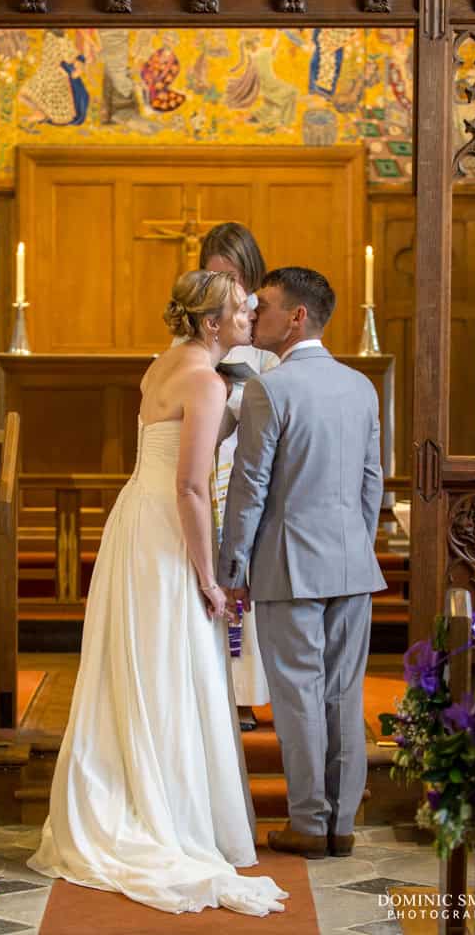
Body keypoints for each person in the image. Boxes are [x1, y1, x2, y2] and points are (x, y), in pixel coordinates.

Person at [28, 270, 288, 917]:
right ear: (210, 324)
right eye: (238, 311)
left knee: (139, 666)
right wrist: (209, 576)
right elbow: (191, 488)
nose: (249, 318)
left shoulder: (164, 368)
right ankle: (165, 810)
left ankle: (133, 791)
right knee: (171, 667)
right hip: (167, 534)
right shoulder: (203, 379)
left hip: (133, 521)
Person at [218, 267, 386, 860]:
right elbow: (373, 485)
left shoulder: (272, 389)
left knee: (297, 697)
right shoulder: (360, 387)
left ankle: (309, 824)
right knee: (343, 693)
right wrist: (354, 548)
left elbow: (250, 487)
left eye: (262, 306)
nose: (253, 315)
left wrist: (231, 570)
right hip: (352, 565)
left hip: (288, 566)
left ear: (296, 318)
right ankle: (341, 825)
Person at [198, 222, 279, 730]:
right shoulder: (197, 337)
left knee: (244, 590)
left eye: (232, 275)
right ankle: (207, 688)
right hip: (205, 470)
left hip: (247, 475)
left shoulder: (264, 348)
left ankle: (245, 693)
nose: (224, 287)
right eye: (212, 275)